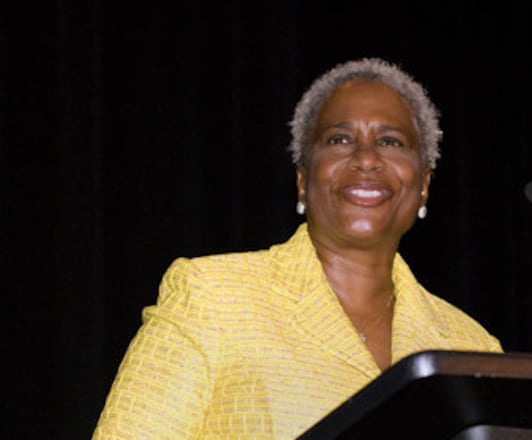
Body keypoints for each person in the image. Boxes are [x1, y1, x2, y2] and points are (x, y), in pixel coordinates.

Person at [93, 57, 502, 439]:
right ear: (303, 180)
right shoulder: (212, 297)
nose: (365, 158)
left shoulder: (470, 347)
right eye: (340, 139)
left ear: (424, 184)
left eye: (391, 142)